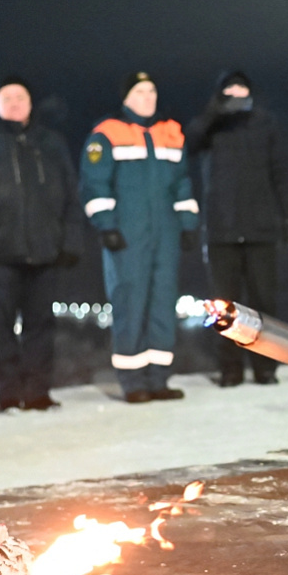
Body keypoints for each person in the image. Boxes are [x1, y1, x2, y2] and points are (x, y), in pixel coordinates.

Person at [0, 76, 84, 411]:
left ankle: (38, 392)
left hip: (45, 251)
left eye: (20, 97)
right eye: (7, 97)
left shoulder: (50, 142)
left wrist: (69, 241)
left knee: (41, 325)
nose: (14, 102)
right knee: (0, 326)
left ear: (30, 104)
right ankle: (9, 393)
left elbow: (71, 194)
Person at [80, 72, 196, 402]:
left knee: (162, 303)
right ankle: (133, 382)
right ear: (126, 98)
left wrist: (188, 223)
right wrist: (106, 225)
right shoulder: (107, 134)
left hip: (166, 234)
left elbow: (183, 183)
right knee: (130, 304)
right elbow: (93, 184)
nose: (148, 97)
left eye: (152, 90)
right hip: (127, 236)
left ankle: (158, 379)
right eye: (140, 91)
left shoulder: (170, 133)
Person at [186, 70, 288, 387]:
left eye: (241, 87)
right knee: (225, 305)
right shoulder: (210, 125)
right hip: (221, 231)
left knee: (264, 302)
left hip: (261, 230)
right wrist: (214, 112)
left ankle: (265, 369)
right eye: (229, 89)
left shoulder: (265, 123)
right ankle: (230, 370)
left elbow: (281, 172)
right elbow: (188, 144)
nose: (236, 93)